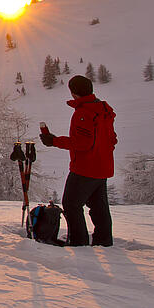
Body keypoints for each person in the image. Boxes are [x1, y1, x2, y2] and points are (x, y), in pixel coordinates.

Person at [40, 74, 117, 247]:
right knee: (99, 206)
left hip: (85, 167)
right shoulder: (103, 110)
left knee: (71, 203)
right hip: (103, 166)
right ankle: (104, 241)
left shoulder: (84, 113)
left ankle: (79, 242)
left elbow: (82, 144)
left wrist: (54, 141)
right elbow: (112, 139)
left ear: (74, 93)